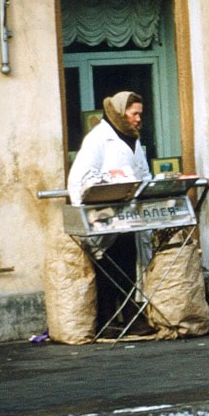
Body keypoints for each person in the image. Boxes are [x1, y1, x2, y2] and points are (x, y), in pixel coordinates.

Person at [67, 90, 152, 326]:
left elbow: (143, 173)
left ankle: (131, 317)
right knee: (108, 269)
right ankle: (108, 321)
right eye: (134, 114)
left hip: (129, 217)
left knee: (128, 267)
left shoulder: (133, 138)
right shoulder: (97, 139)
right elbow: (81, 177)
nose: (138, 119)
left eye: (139, 114)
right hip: (105, 216)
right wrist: (107, 186)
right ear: (120, 112)